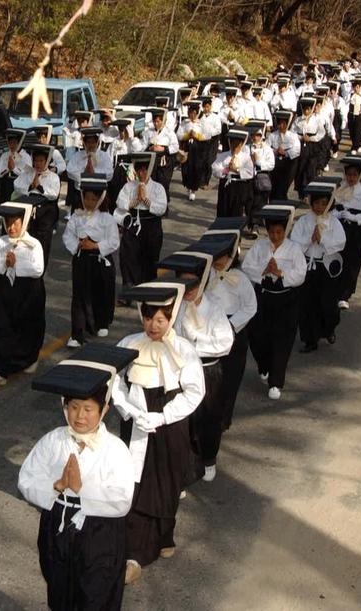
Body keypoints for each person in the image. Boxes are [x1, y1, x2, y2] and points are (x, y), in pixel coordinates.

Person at [18, 346, 138, 610]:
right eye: (73, 407)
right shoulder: (54, 441)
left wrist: (81, 490)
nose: (80, 416)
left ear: (104, 410)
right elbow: (26, 478)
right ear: (64, 407)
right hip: (58, 525)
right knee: (60, 589)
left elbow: (122, 499)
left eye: (88, 409)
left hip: (100, 534)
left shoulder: (115, 449)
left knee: (95, 596)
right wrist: (56, 486)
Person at [112, 282, 204, 584]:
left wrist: (163, 416)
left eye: (161, 319)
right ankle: (135, 554)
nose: (153, 326)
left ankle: (166, 534)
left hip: (170, 425)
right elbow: (115, 383)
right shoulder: (129, 343)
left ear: (172, 317)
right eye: (148, 318)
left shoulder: (183, 351)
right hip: (136, 422)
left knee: (166, 482)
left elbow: (194, 392)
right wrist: (128, 409)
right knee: (138, 485)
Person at [161, 252, 234, 482]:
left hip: (207, 369)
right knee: (184, 421)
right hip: (181, 370)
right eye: (184, 283)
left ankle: (209, 457)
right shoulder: (175, 306)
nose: (189, 290)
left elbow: (225, 342)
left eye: (194, 283)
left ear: (202, 282)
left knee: (208, 419)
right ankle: (186, 470)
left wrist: (195, 344)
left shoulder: (214, 308)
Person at [191, 234, 256, 432]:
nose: (218, 261)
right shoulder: (205, 275)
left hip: (233, 328)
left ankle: (224, 417)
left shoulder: (240, 278)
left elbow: (250, 307)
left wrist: (232, 325)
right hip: (209, 327)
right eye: (215, 256)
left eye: (223, 256)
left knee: (230, 378)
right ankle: (206, 416)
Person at [241, 206, 306, 400]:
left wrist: (281, 273)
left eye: (279, 232)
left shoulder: (294, 249)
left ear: (285, 231)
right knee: (258, 335)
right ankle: (264, 365)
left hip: (286, 298)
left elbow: (301, 273)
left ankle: (276, 382)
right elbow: (247, 266)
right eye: (271, 232)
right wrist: (264, 271)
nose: (275, 236)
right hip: (264, 295)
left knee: (282, 340)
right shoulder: (260, 246)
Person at [0, 202, 47, 388]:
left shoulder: (33, 244)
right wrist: (6, 265)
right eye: (8, 223)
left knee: (28, 326)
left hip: (29, 290)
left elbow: (37, 269)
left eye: (15, 223)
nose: (11, 227)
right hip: (5, 287)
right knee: (2, 325)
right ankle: (1, 370)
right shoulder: (2, 242)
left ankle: (29, 359)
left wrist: (16, 264)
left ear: (24, 222)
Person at [63, 177, 120, 349]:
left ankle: (101, 322)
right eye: (86, 198)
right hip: (82, 259)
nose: (89, 202)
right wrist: (77, 245)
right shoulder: (76, 216)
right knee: (79, 296)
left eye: (94, 199)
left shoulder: (107, 218)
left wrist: (95, 245)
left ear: (100, 199)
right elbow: (67, 235)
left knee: (101, 292)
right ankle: (77, 334)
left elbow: (114, 241)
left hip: (100, 260)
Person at [291, 183, 347, 353]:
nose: (320, 207)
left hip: (326, 268)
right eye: (316, 203)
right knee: (307, 304)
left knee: (328, 304)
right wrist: (310, 238)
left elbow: (340, 242)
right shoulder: (303, 221)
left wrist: (322, 239)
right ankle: (310, 339)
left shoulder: (333, 222)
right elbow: (294, 241)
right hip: (308, 266)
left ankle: (329, 328)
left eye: (324, 203)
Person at [115, 153, 167, 291]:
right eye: (139, 170)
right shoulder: (129, 186)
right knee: (128, 256)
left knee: (149, 258)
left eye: (145, 170)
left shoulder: (157, 187)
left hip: (151, 225)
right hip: (133, 223)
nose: (142, 173)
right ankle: (129, 288)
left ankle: (147, 290)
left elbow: (161, 208)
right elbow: (120, 202)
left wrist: (146, 200)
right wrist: (135, 201)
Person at [332, 155, 361, 307]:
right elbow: (331, 207)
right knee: (339, 257)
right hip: (340, 227)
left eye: (354, 175)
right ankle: (335, 290)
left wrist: (354, 217)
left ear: (359, 176)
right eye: (348, 174)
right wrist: (337, 214)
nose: (351, 178)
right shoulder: (340, 190)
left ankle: (345, 294)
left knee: (353, 261)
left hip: (356, 230)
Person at [15, 144, 62, 261]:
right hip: (29, 209)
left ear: (46, 161)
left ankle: (40, 269)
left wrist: (40, 188)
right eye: (36, 161)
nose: (38, 164)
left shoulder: (53, 176)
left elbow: (54, 194)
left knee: (43, 242)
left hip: (46, 211)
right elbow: (17, 186)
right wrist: (31, 186)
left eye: (41, 161)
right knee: (27, 239)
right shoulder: (27, 173)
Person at [211, 129, 255, 224]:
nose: (234, 147)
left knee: (237, 211)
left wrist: (236, 170)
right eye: (232, 144)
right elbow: (215, 169)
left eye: (237, 144)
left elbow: (250, 172)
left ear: (241, 145)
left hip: (239, 186)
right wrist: (227, 170)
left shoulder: (246, 157)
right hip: (226, 185)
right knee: (223, 210)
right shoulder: (223, 156)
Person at [142, 108, 179, 193]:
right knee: (151, 184)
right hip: (152, 162)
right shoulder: (148, 132)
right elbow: (143, 146)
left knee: (163, 185)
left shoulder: (169, 132)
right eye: (154, 121)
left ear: (163, 121)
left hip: (164, 162)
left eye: (158, 121)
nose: (156, 124)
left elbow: (175, 146)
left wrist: (163, 148)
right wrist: (150, 148)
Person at [267, 110, 301, 201]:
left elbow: (297, 149)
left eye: (283, 124)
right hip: (276, 161)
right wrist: (275, 151)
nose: (281, 126)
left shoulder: (293, 136)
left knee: (284, 184)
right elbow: (266, 148)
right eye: (279, 124)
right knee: (275, 184)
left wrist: (286, 153)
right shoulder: (272, 135)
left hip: (289, 162)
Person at [0, 129, 32, 204]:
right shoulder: (5, 155)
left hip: (20, 189)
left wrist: (14, 169)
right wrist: (7, 169)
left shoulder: (26, 157)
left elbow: (28, 174)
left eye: (14, 143)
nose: (12, 146)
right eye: (10, 143)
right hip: (6, 186)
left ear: (19, 143)